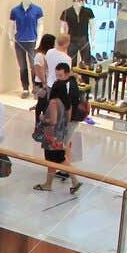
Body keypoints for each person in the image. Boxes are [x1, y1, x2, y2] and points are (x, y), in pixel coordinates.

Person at [35, 63, 83, 195]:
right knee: (60, 158)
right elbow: (66, 119)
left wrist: (43, 119)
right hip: (60, 134)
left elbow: (53, 121)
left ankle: (50, 184)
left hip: (52, 135)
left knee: (52, 159)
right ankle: (72, 181)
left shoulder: (54, 102)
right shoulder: (66, 104)